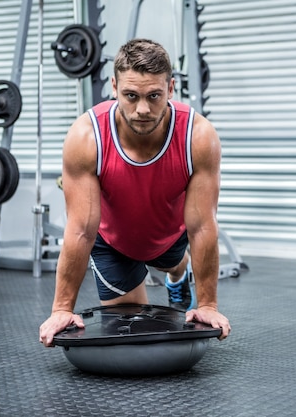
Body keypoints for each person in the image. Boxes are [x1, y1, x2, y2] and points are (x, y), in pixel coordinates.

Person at [39, 38, 230, 347]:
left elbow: (202, 225)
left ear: (170, 90)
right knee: (134, 337)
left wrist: (207, 304)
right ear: (114, 87)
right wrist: (62, 309)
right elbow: (81, 230)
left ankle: (177, 271)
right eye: (131, 96)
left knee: (174, 260)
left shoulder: (198, 136)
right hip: (114, 244)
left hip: (170, 234)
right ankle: (171, 268)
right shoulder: (86, 137)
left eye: (154, 96)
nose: (142, 109)